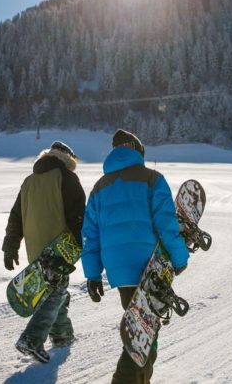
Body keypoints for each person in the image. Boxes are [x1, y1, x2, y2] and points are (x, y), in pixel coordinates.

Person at [81, 129, 189, 384]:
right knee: (143, 335)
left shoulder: (99, 187)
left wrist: (93, 274)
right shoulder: (152, 179)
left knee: (141, 331)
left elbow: (90, 235)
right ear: (137, 151)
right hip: (149, 266)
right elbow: (166, 223)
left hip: (120, 272)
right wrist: (179, 258)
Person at [2, 140, 86, 363]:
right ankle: (32, 338)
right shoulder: (66, 178)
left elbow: (16, 217)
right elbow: (78, 217)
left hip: (35, 249)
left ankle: (61, 335)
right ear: (67, 158)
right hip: (58, 249)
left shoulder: (29, 181)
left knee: (54, 289)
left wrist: (10, 246)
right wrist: (79, 247)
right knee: (57, 291)